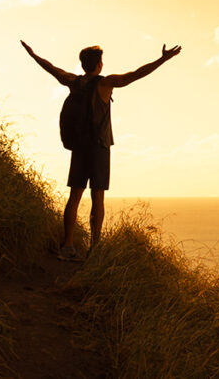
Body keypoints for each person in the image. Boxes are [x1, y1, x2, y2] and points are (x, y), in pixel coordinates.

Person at [20, 40, 182, 260]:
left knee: (74, 196)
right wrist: (163, 59)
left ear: (83, 64)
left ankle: (67, 247)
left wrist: (33, 55)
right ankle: (95, 250)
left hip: (79, 147)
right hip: (99, 147)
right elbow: (135, 75)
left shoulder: (72, 81)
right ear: (99, 64)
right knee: (98, 198)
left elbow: (52, 69)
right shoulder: (105, 84)